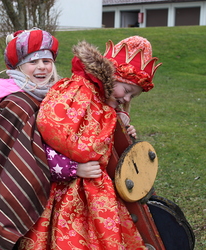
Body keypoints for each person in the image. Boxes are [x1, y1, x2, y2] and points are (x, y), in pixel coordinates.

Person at [17, 36, 162, 249]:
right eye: (128, 91)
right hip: (67, 190)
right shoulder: (78, 90)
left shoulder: (104, 101)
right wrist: (75, 168)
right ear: (112, 76)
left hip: (97, 191)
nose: (128, 99)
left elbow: (102, 136)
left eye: (134, 96)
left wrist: (123, 132)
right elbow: (52, 128)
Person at [0, 27, 67, 250]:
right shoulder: (17, 103)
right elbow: (22, 154)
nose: (42, 67)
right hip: (16, 180)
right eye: (33, 62)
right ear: (18, 66)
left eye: (46, 60)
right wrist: (72, 168)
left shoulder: (56, 94)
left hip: (52, 186)